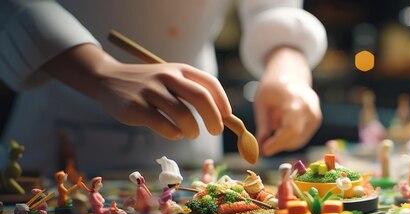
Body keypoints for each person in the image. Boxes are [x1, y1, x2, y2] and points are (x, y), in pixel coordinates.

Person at [0, 0, 327, 174]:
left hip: (193, 144)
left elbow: (273, 7)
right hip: (58, 133)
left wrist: (289, 69)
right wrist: (100, 72)